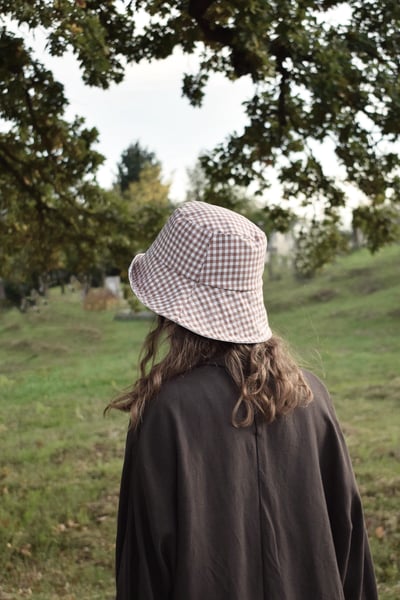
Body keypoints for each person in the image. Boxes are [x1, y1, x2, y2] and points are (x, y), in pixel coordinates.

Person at [110, 201, 378, 600]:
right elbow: (351, 547)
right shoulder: (312, 398)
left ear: (172, 312)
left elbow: (144, 567)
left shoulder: (167, 413)